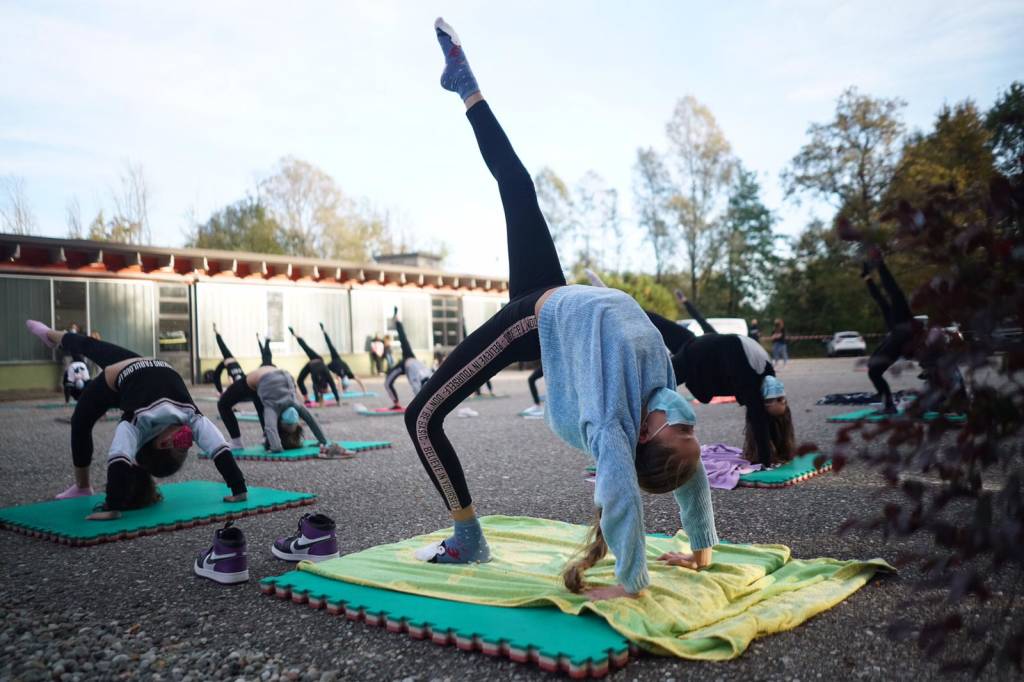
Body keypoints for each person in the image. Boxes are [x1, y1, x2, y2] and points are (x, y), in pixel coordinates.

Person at [403, 19, 718, 601]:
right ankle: (465, 84)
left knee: (421, 418)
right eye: (692, 427)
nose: (686, 415)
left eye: (679, 429)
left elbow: (621, 496)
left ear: (645, 437)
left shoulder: (614, 428)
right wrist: (701, 550)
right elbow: (693, 479)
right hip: (556, 296)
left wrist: (632, 584)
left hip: (534, 318)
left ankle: (467, 535)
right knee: (518, 183)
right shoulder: (661, 402)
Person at [25, 320, 247, 518]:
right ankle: (50, 335)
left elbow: (120, 454)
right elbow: (217, 445)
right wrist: (238, 488)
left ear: (161, 443)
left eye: (180, 444)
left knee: (80, 421)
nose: (187, 440)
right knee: (88, 345)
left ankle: (83, 486)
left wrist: (112, 505)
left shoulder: (137, 421)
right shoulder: (190, 416)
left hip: (113, 382)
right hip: (141, 367)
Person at [588, 272, 793, 469]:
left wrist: (686, 303)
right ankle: (620, 442)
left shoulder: (764, 368)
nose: (770, 400)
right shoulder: (753, 376)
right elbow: (758, 416)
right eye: (774, 400)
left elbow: (710, 330)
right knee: (646, 389)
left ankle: (612, 297)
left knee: (652, 320)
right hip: (693, 357)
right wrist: (766, 461)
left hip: (693, 342)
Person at [217, 364, 350, 457]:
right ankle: (239, 442)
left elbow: (310, 420)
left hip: (284, 377)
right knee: (225, 403)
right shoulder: (273, 408)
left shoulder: (294, 403)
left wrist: (322, 440)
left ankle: (247, 442)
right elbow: (271, 427)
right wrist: (276, 448)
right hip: (261, 381)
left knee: (228, 404)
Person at [862, 254, 918, 413]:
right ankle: (888, 403)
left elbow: (890, 285)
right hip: (894, 338)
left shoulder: (901, 305)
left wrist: (880, 264)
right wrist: (867, 277)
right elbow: (877, 296)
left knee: (874, 370)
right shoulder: (888, 309)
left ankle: (889, 405)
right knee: (873, 371)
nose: (888, 296)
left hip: (903, 338)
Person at [383, 307, 433, 410]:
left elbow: (419, 397)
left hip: (407, 365)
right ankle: (397, 320)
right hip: (410, 360)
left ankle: (396, 403)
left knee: (387, 383)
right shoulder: (427, 377)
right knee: (403, 339)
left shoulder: (419, 384)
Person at [742, 375, 795, 465]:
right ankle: (769, 453)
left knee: (778, 429)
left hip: (773, 402)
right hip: (766, 402)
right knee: (765, 432)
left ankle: (778, 452)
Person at [290, 327, 340, 407]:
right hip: (317, 360)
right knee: (305, 347)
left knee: (300, 380)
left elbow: (315, 387)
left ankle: (306, 399)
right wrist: (338, 400)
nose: (325, 391)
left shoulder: (317, 379)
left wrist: (317, 401)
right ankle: (295, 334)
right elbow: (332, 386)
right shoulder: (326, 375)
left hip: (311, 365)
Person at [320, 322, 367, 395]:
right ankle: (324, 332)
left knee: (330, 346)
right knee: (330, 346)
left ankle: (325, 389)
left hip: (334, 364)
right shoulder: (347, 373)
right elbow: (357, 380)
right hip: (336, 361)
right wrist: (364, 390)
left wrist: (364, 390)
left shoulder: (346, 374)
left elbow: (356, 380)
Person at [211, 324, 247, 395]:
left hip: (232, 361)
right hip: (229, 361)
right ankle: (217, 333)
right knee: (222, 346)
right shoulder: (238, 380)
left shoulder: (242, 377)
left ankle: (217, 333)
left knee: (216, 374)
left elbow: (233, 385)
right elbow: (232, 387)